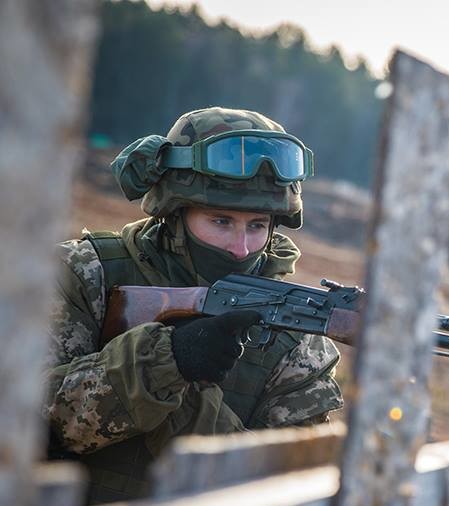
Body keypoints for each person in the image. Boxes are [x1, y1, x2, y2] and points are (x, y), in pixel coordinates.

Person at [43, 107, 343, 503]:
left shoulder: (301, 343)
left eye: (257, 226)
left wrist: (190, 395)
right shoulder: (86, 275)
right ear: (175, 214)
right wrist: (164, 361)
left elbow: (278, 489)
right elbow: (26, 424)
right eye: (221, 221)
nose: (241, 248)